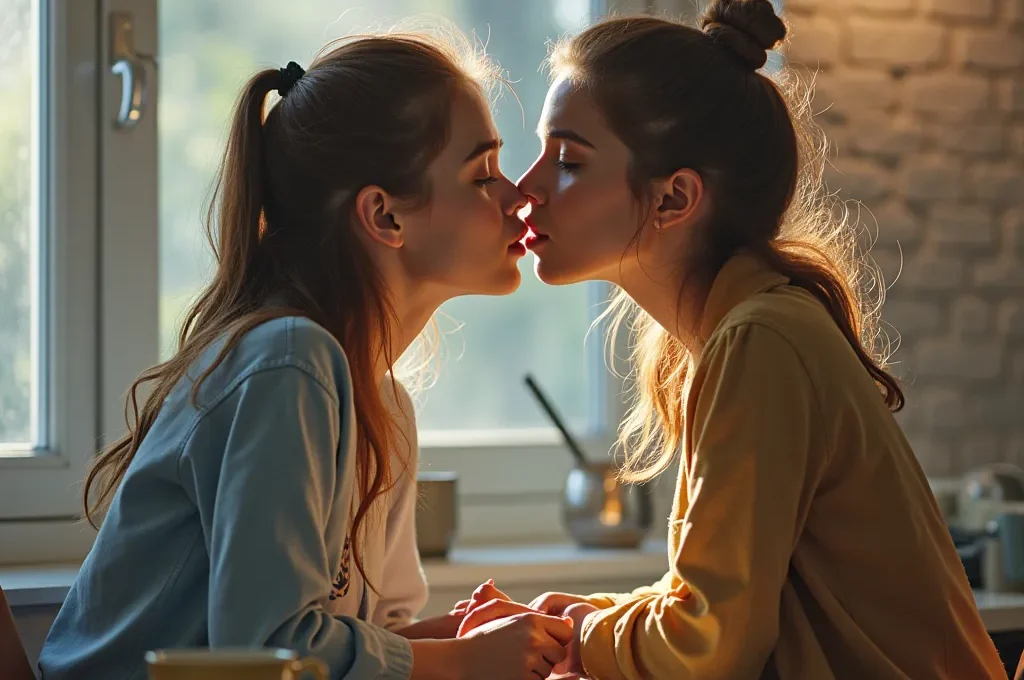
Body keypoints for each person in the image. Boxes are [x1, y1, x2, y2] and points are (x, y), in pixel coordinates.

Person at [486, 1, 1002, 678]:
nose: (527, 189)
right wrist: (591, 622)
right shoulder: (743, 329)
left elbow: (713, 645)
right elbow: (713, 606)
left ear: (675, 199)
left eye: (569, 161)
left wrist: (587, 637)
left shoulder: (760, 341)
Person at [38, 31, 573, 680]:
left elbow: (359, 638)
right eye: (483, 174)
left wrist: (460, 636)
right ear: (385, 215)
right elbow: (272, 651)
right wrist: (460, 662)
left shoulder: (383, 404)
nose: (517, 196)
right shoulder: (289, 363)